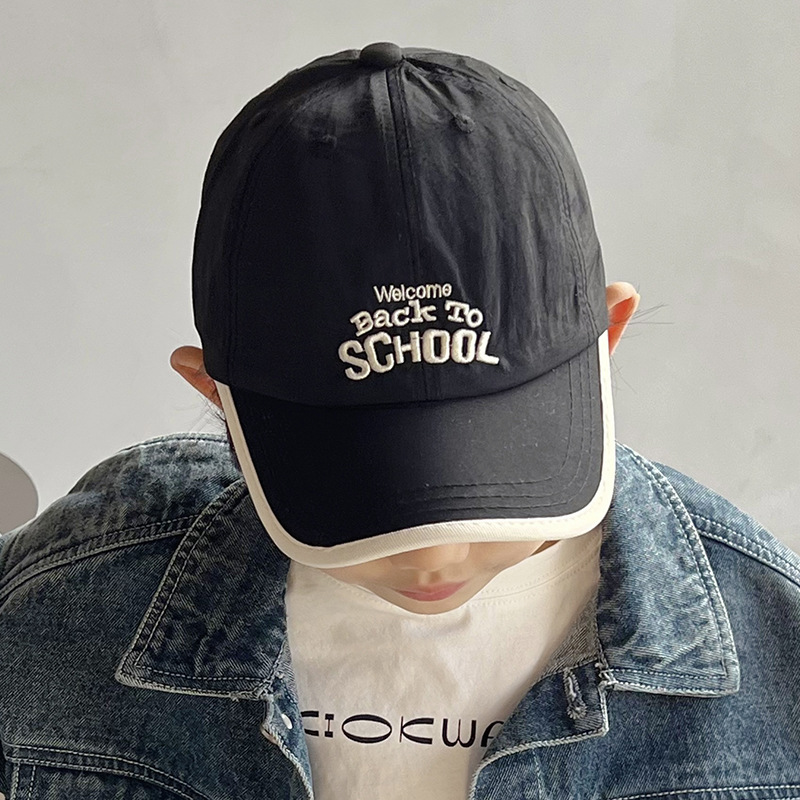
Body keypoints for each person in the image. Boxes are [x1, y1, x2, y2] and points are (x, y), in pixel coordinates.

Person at [1, 42, 799, 800]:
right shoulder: (69, 601)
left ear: (607, 339)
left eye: (494, 469)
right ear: (217, 394)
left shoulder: (775, 648)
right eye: (364, 489)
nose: (433, 555)